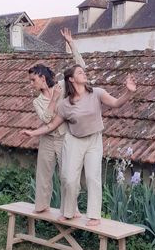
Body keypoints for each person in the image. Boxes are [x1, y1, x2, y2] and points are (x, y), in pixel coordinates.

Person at [23, 63, 137, 226]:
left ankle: (94, 216)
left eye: (84, 72)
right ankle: (68, 212)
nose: (84, 73)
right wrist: (33, 133)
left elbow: (117, 103)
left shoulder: (97, 93)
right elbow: (50, 125)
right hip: (73, 140)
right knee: (68, 178)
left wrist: (128, 92)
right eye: (79, 72)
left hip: (93, 140)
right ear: (71, 78)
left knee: (92, 177)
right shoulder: (65, 104)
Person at [28, 28, 85, 214]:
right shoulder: (37, 101)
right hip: (47, 140)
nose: (31, 83)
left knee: (67, 176)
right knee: (44, 175)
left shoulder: (61, 85)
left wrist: (71, 43)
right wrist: (53, 100)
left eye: (33, 80)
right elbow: (45, 118)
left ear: (42, 78)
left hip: (64, 138)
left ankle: (71, 209)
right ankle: (41, 207)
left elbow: (80, 68)